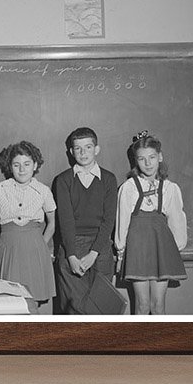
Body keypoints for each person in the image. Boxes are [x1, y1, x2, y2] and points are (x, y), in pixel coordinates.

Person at [51, 126, 126, 316]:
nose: (83, 153)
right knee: (75, 309)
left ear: (97, 149)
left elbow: (109, 220)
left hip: (100, 248)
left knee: (101, 308)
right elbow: (65, 221)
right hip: (71, 248)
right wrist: (71, 256)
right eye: (78, 148)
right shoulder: (63, 180)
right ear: (71, 152)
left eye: (88, 147)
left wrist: (94, 253)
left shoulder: (108, 179)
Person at [115, 130, 187, 315]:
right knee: (142, 305)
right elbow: (122, 220)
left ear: (160, 157)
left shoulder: (170, 188)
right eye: (141, 159)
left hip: (161, 248)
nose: (147, 163)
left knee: (158, 306)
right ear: (135, 161)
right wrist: (121, 250)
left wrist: (173, 250)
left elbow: (177, 220)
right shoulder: (129, 187)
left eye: (152, 157)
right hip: (137, 248)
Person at [0, 141, 56, 314]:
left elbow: (52, 223)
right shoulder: (0, 189)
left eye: (27, 164)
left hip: (35, 250)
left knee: (33, 303)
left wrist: (42, 243)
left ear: (35, 165)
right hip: (8, 249)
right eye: (16, 165)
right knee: (9, 303)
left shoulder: (43, 190)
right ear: (10, 166)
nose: (22, 169)